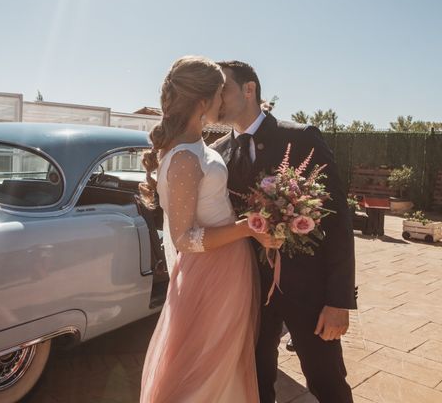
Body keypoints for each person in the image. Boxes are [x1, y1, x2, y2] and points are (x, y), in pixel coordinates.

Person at [210, 60, 356, 403]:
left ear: (250, 90)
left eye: (222, 90)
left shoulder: (300, 138)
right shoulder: (216, 154)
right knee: (255, 383)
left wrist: (339, 301)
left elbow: (337, 219)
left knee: (328, 383)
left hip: (309, 292)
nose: (215, 99)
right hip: (246, 292)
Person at [139, 55, 281, 402]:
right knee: (204, 372)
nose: (224, 100)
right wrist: (247, 228)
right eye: (220, 93)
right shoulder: (186, 157)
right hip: (210, 273)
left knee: (226, 368)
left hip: (228, 266)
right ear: (203, 101)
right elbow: (184, 239)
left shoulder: (200, 146)